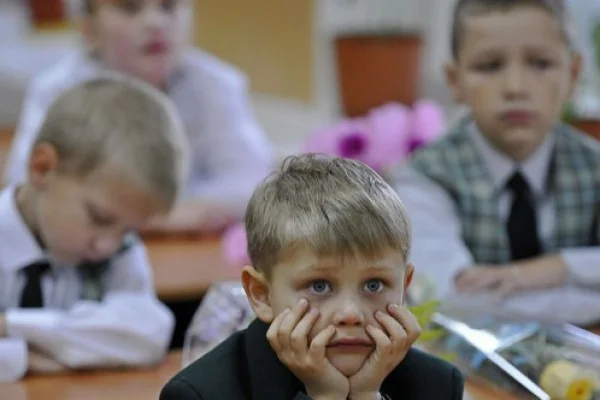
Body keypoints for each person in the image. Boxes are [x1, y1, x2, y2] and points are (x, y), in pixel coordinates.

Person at [160, 154, 464, 400]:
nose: (350, 314)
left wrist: (366, 395)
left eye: (374, 285)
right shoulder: (200, 394)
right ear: (261, 294)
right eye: (319, 286)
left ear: (404, 288)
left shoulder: (436, 385)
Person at [394, 0, 600, 325]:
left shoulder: (594, 166)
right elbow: (444, 300)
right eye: (489, 66)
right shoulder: (422, 177)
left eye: (540, 63)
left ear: (572, 75)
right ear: (455, 81)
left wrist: (556, 268)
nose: (515, 88)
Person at [4, 0, 273, 234]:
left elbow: (253, 182)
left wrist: (150, 216)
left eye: (169, 6)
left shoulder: (216, 85)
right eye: (130, 7)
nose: (155, 23)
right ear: (88, 27)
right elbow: (25, 187)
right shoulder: (57, 91)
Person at [0, 76, 187, 381]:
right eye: (99, 218)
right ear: (42, 169)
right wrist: (25, 359)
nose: (106, 246)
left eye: (127, 230)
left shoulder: (120, 249)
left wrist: (10, 326)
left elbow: (147, 334)